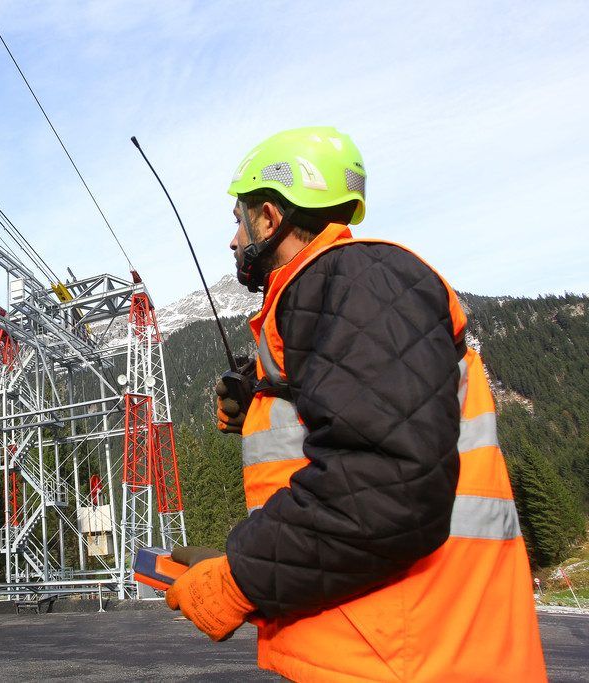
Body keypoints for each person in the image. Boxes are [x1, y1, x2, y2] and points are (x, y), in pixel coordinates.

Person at [164, 127, 547, 681]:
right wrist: (263, 392)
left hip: (414, 654)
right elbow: (368, 416)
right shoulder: (341, 295)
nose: (232, 240)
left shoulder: (359, 283)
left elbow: (385, 485)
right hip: (385, 645)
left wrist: (239, 579)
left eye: (237, 218)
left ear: (269, 218)